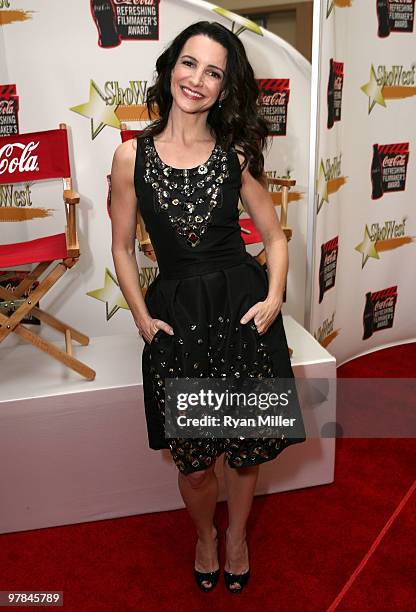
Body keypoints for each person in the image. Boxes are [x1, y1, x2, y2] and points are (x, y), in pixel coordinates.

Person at [110, 20, 306, 593]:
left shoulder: (234, 155)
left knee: (245, 453)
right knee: (195, 464)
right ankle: (204, 536)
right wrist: (142, 318)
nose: (197, 79)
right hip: (179, 319)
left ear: (225, 88)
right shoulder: (131, 157)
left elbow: (274, 236)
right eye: (190, 63)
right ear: (172, 66)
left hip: (242, 313)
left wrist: (272, 298)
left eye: (214, 72)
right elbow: (122, 247)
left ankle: (237, 537)